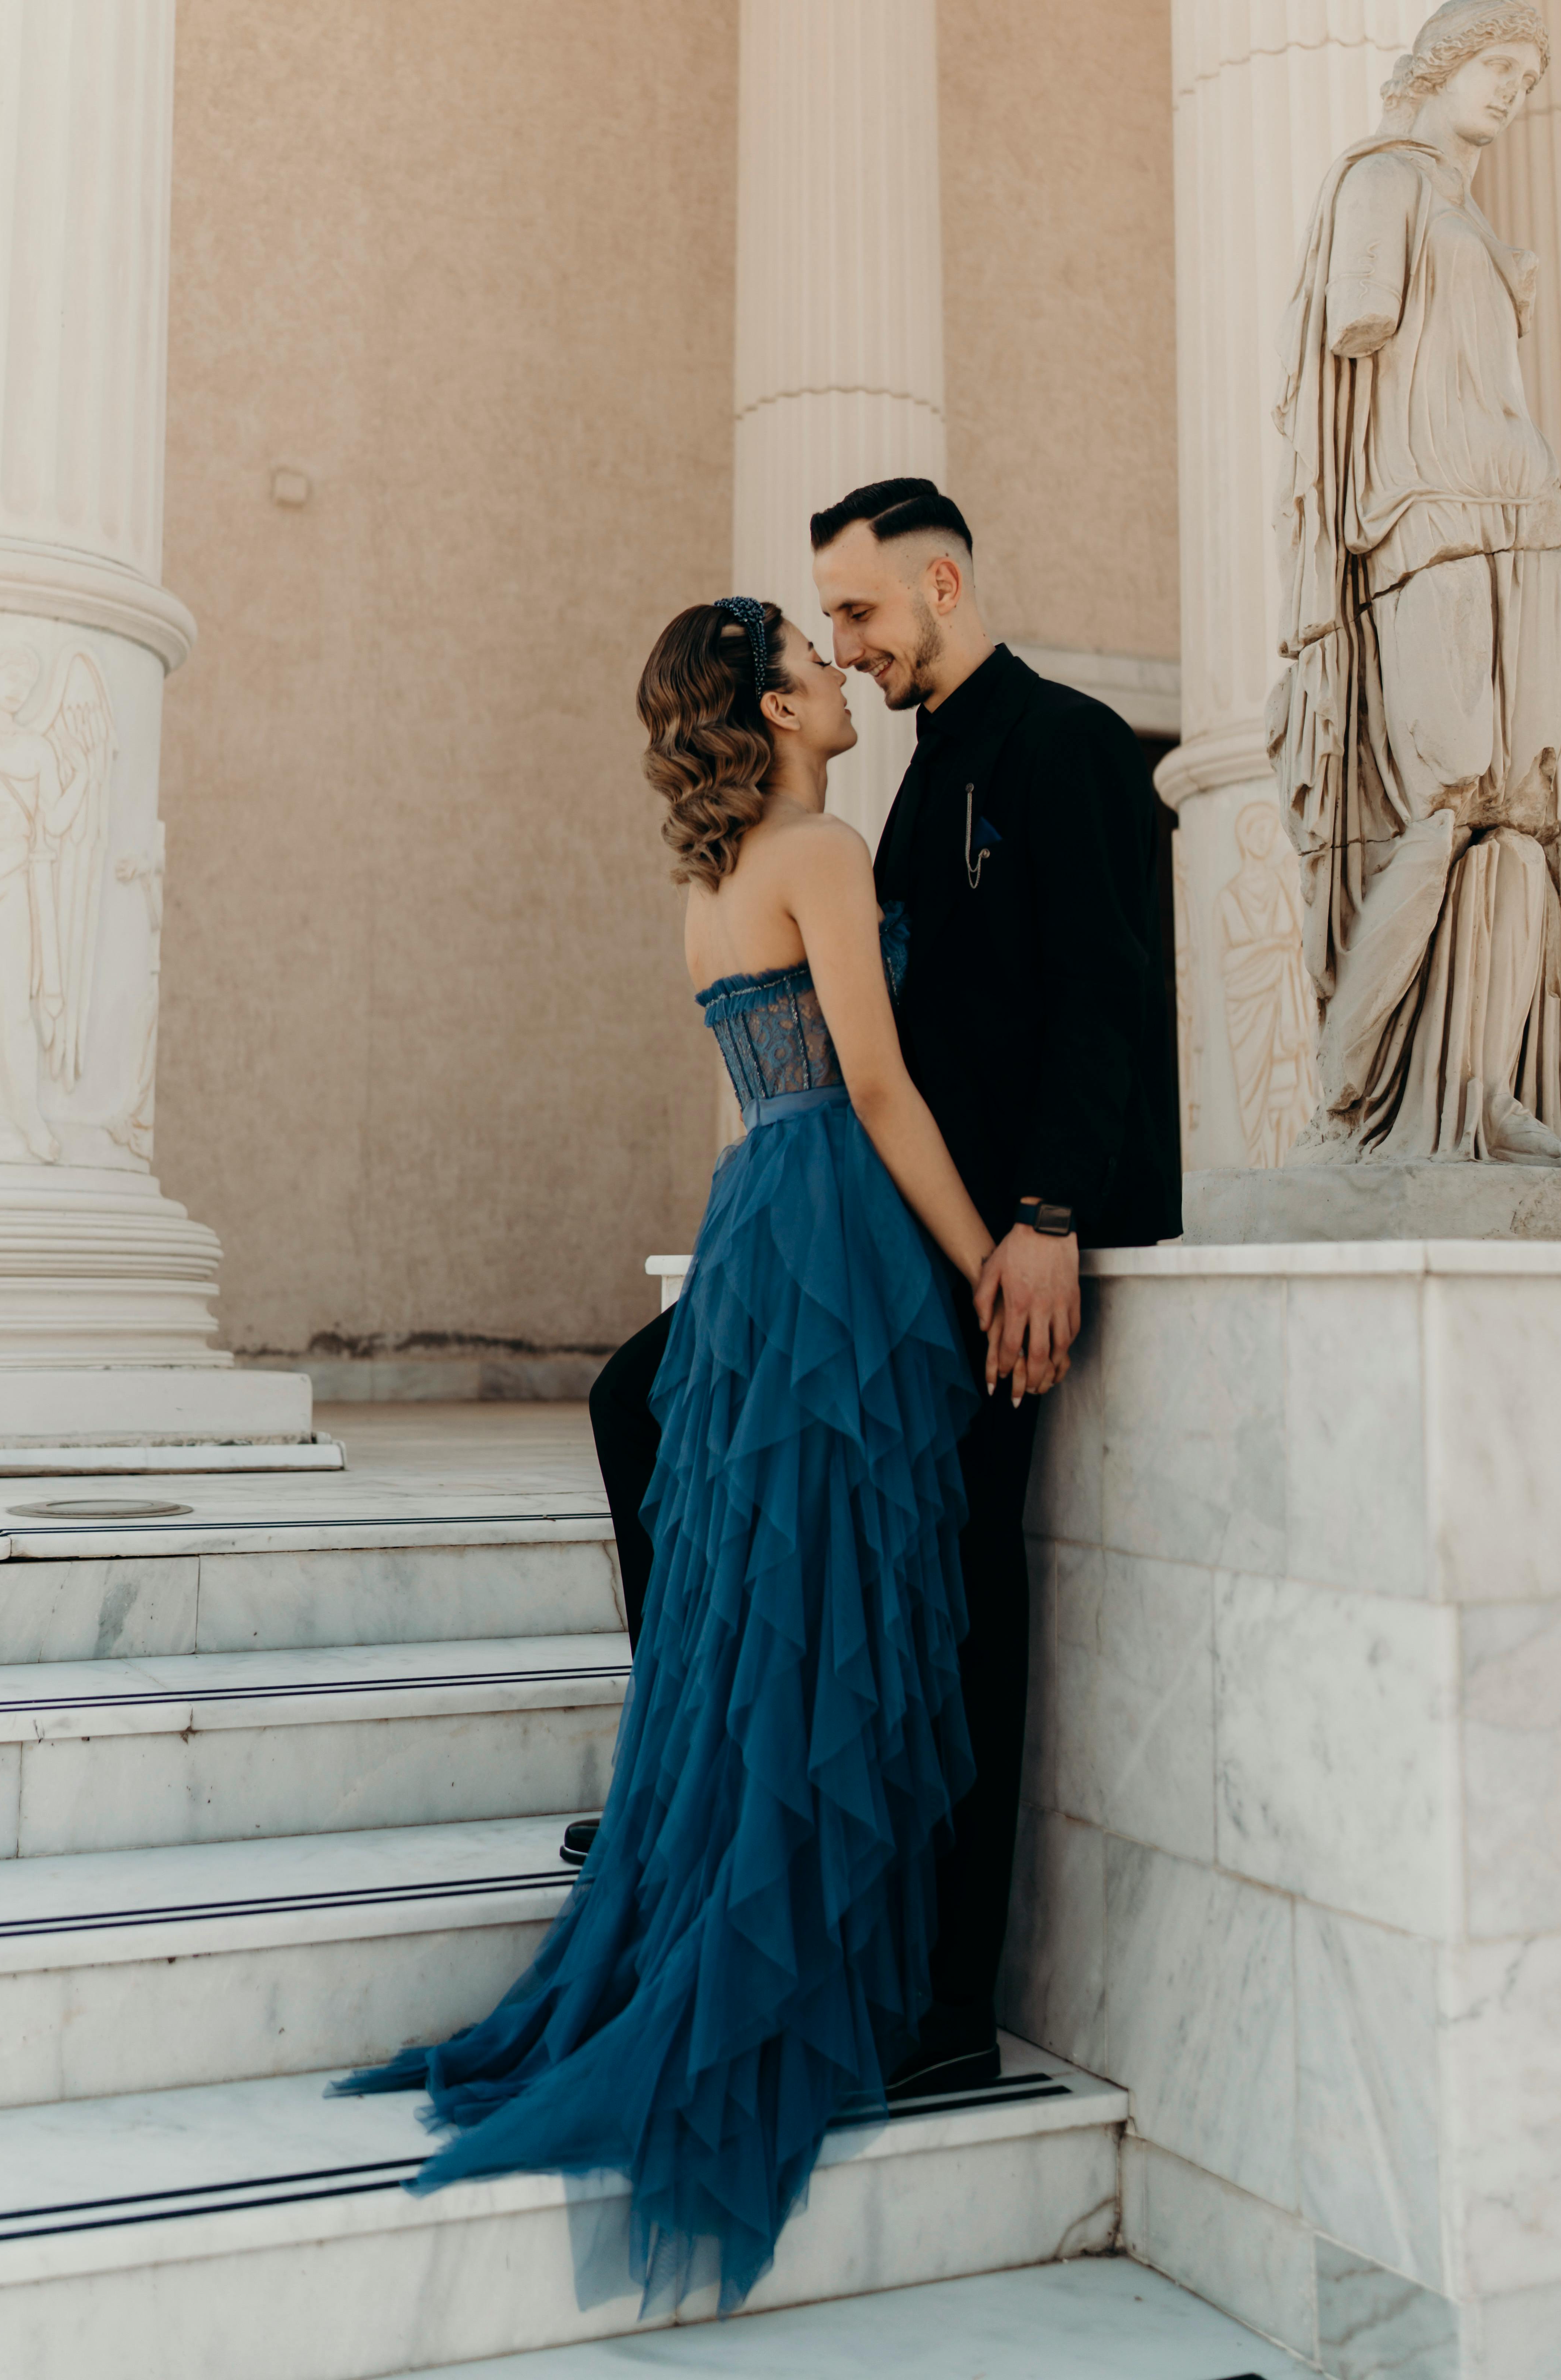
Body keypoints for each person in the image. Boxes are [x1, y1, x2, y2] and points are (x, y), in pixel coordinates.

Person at [337, 596, 993, 2316]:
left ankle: (786, 1934)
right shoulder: (824, 853)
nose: (840, 668)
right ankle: (829, 1967)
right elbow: (877, 1084)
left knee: (776, 1597)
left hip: (761, 1219)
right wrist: (988, 1252)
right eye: (814, 649)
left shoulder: (716, 882)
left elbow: (776, 1096)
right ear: (772, 700)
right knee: (836, 1589)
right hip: (840, 1220)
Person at [581, 482, 1179, 2103]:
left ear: (937, 580)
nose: (843, 641)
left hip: (984, 1239)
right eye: (821, 629)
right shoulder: (892, 794)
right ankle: (698, 1778)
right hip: (882, 1228)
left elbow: (1104, 1000)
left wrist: (1041, 1218)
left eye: (854, 614)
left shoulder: (1062, 745)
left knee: (954, 1599)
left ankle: (940, 1995)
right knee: (651, 1409)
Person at [1269, 0, 1561, 1165]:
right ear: (1442, 65)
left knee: (1523, 817)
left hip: (1528, 518)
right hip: (1430, 521)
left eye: (1529, 76)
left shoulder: (1471, 210)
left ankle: (1483, 1085)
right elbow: (1357, 326)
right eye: (1498, 64)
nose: (1512, 88)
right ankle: (1354, 1094)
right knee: (1447, 807)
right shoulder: (1385, 184)